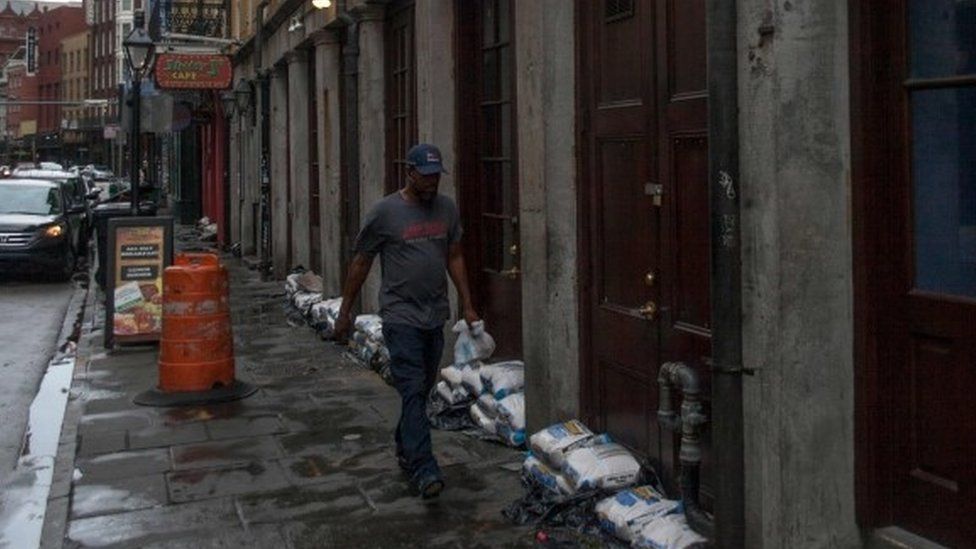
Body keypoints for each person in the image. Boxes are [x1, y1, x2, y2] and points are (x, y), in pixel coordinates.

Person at [334, 143, 479, 499]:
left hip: (435, 314)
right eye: (425, 176)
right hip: (400, 316)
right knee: (412, 388)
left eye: (436, 177)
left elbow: (455, 255)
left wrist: (468, 304)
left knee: (422, 389)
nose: (432, 183)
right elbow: (361, 261)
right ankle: (423, 467)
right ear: (409, 173)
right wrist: (345, 310)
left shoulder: (446, 209)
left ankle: (405, 441)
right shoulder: (385, 212)